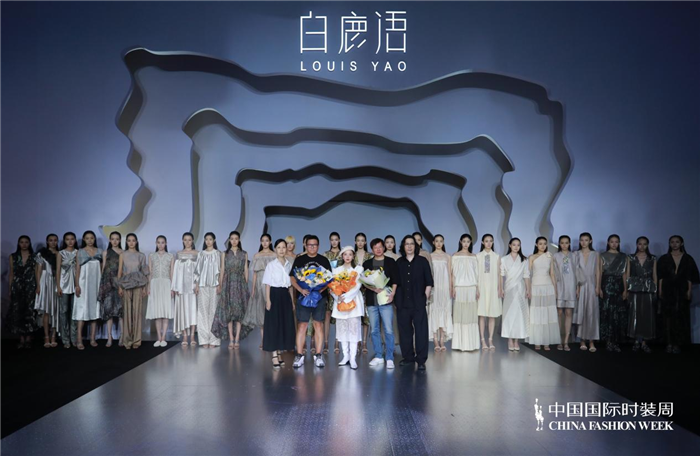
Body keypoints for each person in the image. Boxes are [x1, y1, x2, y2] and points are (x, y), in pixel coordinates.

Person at [290, 234, 332, 368]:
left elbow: (329, 279)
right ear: (305, 245)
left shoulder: (323, 260)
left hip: (319, 298)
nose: (312, 247)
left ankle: (318, 355)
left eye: (315, 245)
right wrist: (300, 289)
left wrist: (320, 289)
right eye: (310, 245)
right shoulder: (299, 259)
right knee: (302, 326)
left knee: (318, 325)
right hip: (303, 297)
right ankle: (299, 355)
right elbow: (292, 277)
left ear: (318, 246)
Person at [395, 235, 433, 371]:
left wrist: (425, 297)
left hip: (418, 303)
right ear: (403, 246)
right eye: (407, 244)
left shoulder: (422, 261)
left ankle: (421, 360)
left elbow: (429, 282)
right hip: (402, 303)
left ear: (415, 246)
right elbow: (394, 282)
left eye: (412, 244)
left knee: (421, 332)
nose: (409, 246)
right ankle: (408, 358)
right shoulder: (399, 262)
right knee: (405, 332)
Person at [657, 235, 699, 354]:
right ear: (669, 243)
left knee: (681, 317)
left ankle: (678, 343)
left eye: (677, 242)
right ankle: (669, 343)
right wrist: (660, 290)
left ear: (681, 243)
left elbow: (690, 276)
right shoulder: (664, 258)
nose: (674, 244)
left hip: (681, 290)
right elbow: (660, 276)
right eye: (672, 242)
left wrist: (689, 291)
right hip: (667, 289)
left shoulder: (688, 258)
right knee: (667, 317)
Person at [212, 231, 252, 349]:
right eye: (232, 239)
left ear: (239, 240)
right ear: (229, 240)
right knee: (229, 312)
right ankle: (231, 338)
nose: (234, 241)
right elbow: (222, 270)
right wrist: (220, 285)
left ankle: (237, 338)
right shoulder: (225, 254)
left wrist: (245, 285)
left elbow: (246, 270)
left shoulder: (244, 253)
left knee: (239, 313)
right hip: (228, 283)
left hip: (240, 284)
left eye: (236, 238)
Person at [363, 239, 398, 368]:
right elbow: (364, 281)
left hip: (386, 300)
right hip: (372, 301)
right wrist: (373, 288)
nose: (378, 249)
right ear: (372, 249)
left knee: (388, 329)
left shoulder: (390, 262)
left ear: (383, 248)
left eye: (380, 247)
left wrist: (392, 294)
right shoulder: (367, 263)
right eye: (375, 247)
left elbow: (395, 280)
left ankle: (389, 357)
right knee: (374, 330)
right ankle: (378, 355)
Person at [262, 239, 296, 368]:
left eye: (283, 247)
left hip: (285, 295)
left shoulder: (288, 264)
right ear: (275, 249)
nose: (281, 250)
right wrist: (268, 300)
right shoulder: (271, 265)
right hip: (274, 295)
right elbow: (267, 284)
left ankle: (280, 353)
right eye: (279, 247)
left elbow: (290, 285)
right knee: (274, 324)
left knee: (284, 324)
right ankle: (274, 355)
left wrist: (292, 301)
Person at [331, 246, 365, 370]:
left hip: (353, 301)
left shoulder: (357, 270)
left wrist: (346, 297)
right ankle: (345, 356)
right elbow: (332, 286)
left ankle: (353, 357)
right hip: (340, 302)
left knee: (354, 330)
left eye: (350, 254)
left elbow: (357, 286)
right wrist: (337, 297)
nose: (347, 257)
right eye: (345, 254)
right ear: (342, 256)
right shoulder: (336, 270)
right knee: (343, 330)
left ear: (353, 256)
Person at [117, 233, 149, 350]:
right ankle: (127, 340)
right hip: (126, 284)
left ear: (136, 242)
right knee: (127, 313)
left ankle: (137, 340)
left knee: (137, 312)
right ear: (126, 242)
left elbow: (144, 272)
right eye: (129, 240)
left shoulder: (141, 255)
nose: (131, 242)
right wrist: (120, 287)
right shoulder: (123, 255)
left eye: (133, 240)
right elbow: (120, 272)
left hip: (138, 285)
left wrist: (145, 288)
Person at [529, 236, 561, 351]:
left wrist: (555, 289)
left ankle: (546, 341)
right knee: (537, 313)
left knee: (547, 313)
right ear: (536, 244)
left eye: (544, 243)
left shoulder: (549, 256)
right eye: (540, 243)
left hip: (548, 287)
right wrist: (528, 289)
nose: (542, 246)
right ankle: (537, 341)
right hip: (536, 286)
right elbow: (528, 273)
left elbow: (552, 273)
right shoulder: (532, 257)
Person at [598, 234, 629, 352]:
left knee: (618, 314)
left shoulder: (623, 256)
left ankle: (616, 341)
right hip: (606, 285)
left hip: (619, 286)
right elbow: (600, 273)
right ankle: (608, 341)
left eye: (616, 242)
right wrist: (599, 288)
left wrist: (625, 289)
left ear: (619, 243)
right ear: (608, 243)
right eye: (612, 242)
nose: (614, 244)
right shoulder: (602, 255)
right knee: (607, 312)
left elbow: (624, 274)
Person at [73, 231, 103, 349]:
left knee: (94, 310)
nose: (90, 240)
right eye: (87, 238)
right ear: (84, 239)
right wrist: (77, 285)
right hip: (83, 283)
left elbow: (101, 269)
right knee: (82, 310)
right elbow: (77, 269)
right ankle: (79, 339)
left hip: (96, 283)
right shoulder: (80, 252)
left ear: (94, 239)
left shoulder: (99, 251)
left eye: (92, 238)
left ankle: (92, 338)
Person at [626, 236, 657, 353]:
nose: (642, 246)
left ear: (647, 245)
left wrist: (655, 290)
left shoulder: (652, 258)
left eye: (644, 244)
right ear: (636, 245)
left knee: (647, 315)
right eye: (640, 244)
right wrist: (627, 289)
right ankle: (636, 341)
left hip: (648, 289)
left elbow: (654, 275)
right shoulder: (630, 257)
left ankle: (644, 342)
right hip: (634, 289)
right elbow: (628, 274)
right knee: (635, 314)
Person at [7, 235, 38, 348]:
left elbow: (36, 273)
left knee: (30, 311)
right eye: (22, 242)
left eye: (26, 242)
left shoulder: (34, 256)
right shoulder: (13, 256)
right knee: (18, 311)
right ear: (18, 243)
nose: (24, 244)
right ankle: (21, 338)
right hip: (17, 286)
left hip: (30, 286)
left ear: (29, 243)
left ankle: (29, 338)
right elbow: (11, 273)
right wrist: (10, 289)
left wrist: (38, 287)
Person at [194, 232, 224, 348]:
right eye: (206, 239)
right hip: (202, 286)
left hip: (215, 286)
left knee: (214, 312)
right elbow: (197, 271)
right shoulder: (201, 254)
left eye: (210, 239)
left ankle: (214, 340)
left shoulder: (218, 254)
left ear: (214, 240)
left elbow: (221, 270)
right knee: (202, 313)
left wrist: (220, 285)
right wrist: (197, 285)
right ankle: (203, 339)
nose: (208, 241)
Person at [500, 238, 530, 351]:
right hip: (509, 289)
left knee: (519, 315)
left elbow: (526, 275)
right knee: (509, 314)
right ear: (509, 245)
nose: (516, 247)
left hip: (520, 289)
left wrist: (528, 289)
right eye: (514, 245)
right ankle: (509, 339)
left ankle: (516, 340)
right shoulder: (504, 259)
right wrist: (501, 288)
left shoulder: (524, 260)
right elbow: (501, 275)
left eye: (518, 245)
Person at [451, 234, 480, 351]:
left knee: (471, 315)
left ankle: (471, 344)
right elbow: (453, 274)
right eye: (464, 241)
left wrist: (477, 289)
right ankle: (459, 344)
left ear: (470, 243)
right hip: (459, 288)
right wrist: (453, 288)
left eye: (468, 241)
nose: (466, 244)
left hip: (471, 288)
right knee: (460, 314)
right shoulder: (455, 256)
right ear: (460, 242)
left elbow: (477, 274)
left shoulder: (474, 257)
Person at [573, 233, 600, 352]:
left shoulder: (595, 254)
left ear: (590, 241)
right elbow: (575, 272)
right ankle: (582, 340)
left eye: (586, 240)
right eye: (582, 240)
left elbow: (598, 271)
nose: (584, 242)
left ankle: (592, 341)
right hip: (581, 286)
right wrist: (577, 287)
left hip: (592, 284)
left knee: (592, 312)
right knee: (581, 312)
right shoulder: (576, 254)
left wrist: (598, 286)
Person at [146, 235, 174, 347]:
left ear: (166, 243)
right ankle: (158, 337)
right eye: (158, 242)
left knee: (165, 311)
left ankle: (164, 337)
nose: (161, 244)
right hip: (155, 283)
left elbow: (172, 273)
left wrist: (172, 287)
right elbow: (150, 272)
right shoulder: (151, 256)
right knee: (157, 312)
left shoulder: (170, 256)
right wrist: (149, 286)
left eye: (162, 242)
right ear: (156, 243)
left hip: (166, 283)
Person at [476, 234, 503, 350]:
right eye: (486, 241)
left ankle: (490, 339)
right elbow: (476, 274)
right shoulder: (477, 256)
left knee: (492, 315)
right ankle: (482, 340)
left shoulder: (496, 256)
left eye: (490, 241)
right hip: (481, 287)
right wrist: (476, 288)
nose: (488, 243)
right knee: (482, 315)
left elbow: (499, 274)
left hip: (493, 287)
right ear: (482, 242)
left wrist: (500, 288)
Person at [172, 232, 198, 346]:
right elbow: (176, 272)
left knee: (192, 310)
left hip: (192, 287)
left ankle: (192, 335)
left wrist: (197, 285)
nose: (187, 242)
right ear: (182, 241)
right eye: (185, 240)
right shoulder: (179, 254)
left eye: (189, 240)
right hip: (181, 287)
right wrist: (175, 286)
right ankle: (184, 335)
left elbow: (199, 271)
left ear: (192, 241)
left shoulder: (197, 253)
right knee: (183, 311)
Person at [34, 234, 60, 348]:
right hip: (44, 282)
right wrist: (38, 285)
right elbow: (38, 270)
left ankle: (53, 336)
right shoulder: (42, 254)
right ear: (47, 241)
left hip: (56, 282)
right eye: (51, 240)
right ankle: (46, 337)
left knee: (55, 309)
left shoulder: (60, 254)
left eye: (55, 240)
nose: (53, 242)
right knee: (46, 311)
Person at [553, 235, 578, 351]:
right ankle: (558, 340)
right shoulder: (555, 256)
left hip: (571, 286)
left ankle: (566, 341)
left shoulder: (574, 256)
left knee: (568, 312)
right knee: (559, 312)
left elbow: (577, 272)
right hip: (559, 286)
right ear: (559, 244)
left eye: (566, 243)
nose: (564, 245)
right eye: (562, 243)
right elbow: (554, 273)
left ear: (569, 244)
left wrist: (577, 287)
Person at [429, 235, 453, 351]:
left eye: (441, 241)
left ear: (443, 243)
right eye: (437, 241)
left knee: (444, 310)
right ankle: (435, 340)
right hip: (434, 287)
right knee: (434, 310)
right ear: (433, 242)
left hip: (445, 287)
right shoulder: (430, 256)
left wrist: (451, 288)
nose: (439, 243)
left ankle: (442, 340)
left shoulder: (447, 256)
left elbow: (450, 274)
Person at [99, 231, 123, 347]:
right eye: (112, 239)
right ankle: (109, 337)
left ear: (120, 240)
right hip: (107, 283)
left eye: (117, 239)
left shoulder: (123, 253)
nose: (115, 241)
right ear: (109, 240)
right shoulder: (105, 252)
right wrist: (102, 285)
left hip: (119, 283)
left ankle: (122, 336)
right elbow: (103, 268)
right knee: (108, 310)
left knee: (120, 311)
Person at [57, 232, 79, 348]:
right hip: (63, 284)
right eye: (67, 239)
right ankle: (65, 339)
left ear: (75, 240)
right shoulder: (61, 253)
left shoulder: (78, 252)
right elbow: (57, 271)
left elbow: (79, 270)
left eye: (72, 239)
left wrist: (78, 285)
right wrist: (58, 286)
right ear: (64, 240)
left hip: (75, 284)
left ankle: (74, 338)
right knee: (64, 311)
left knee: (74, 312)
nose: (70, 241)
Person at [323, 231, 342, 354]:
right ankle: (325, 342)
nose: (334, 242)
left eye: (336, 239)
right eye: (332, 240)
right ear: (330, 241)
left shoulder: (343, 254)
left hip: (340, 287)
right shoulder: (326, 254)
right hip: (327, 288)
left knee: (339, 315)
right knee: (327, 314)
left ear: (339, 240)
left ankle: (337, 342)